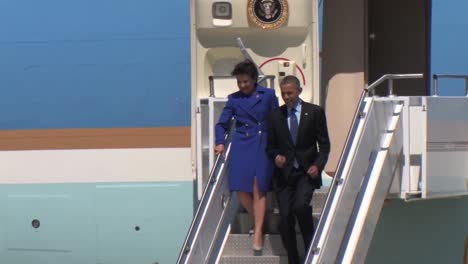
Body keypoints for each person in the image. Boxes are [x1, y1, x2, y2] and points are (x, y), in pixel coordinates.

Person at [215, 59, 279, 255]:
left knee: (257, 185)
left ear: (254, 80)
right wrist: (220, 142)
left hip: (263, 143)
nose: (242, 86)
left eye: (245, 82)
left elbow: (277, 120)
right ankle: (256, 218)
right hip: (243, 144)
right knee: (239, 187)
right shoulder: (234, 99)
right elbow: (222, 123)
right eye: (239, 82)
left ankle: (258, 230)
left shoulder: (268, 95)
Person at [266, 75, 330, 264]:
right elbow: (270, 147)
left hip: (305, 172)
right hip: (284, 175)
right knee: (285, 218)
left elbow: (324, 145)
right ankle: (293, 258)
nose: (287, 97)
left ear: (299, 91)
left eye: (290, 93)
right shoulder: (275, 116)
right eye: (283, 94)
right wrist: (276, 157)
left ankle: (310, 245)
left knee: (301, 207)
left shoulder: (315, 112)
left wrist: (317, 166)